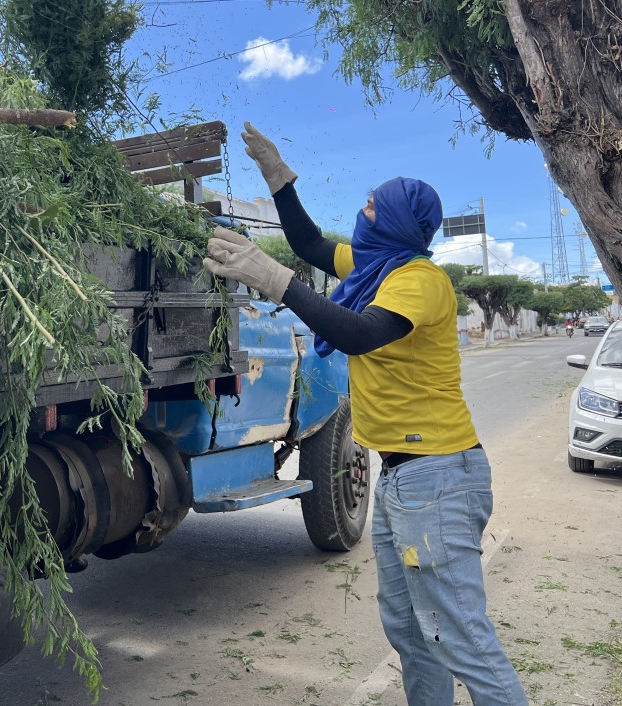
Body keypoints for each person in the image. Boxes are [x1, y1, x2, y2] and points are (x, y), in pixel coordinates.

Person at [202, 122, 528, 706]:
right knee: (411, 633)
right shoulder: (375, 265)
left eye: (371, 206)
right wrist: (278, 177)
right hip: (405, 480)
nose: (361, 210)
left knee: (461, 639)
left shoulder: (418, 280)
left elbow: (357, 333)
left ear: (395, 222)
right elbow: (307, 244)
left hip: (437, 478)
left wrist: (273, 281)